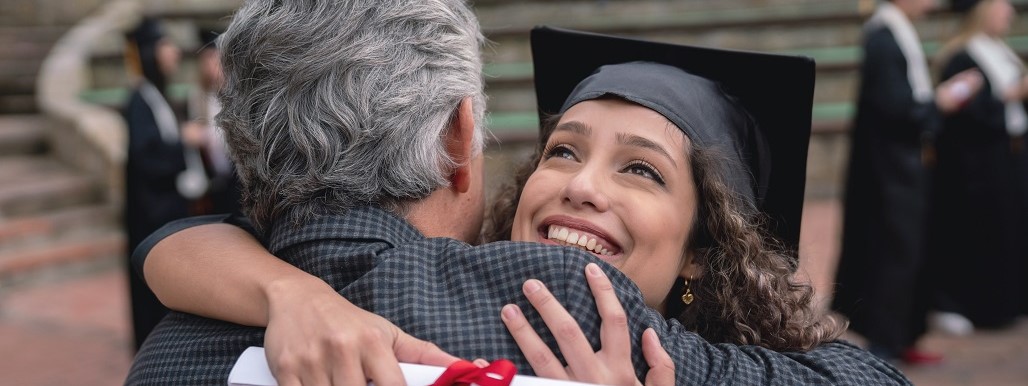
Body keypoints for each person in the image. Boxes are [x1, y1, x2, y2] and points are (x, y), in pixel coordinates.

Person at [126, 1, 909, 384]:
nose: (580, 187)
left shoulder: (167, 349)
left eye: (641, 168)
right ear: (462, 140)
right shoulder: (551, 306)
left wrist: (280, 286)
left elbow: (169, 245)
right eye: (561, 150)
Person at [832, 0, 984, 365]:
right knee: (893, 255)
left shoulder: (893, 31)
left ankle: (901, 336)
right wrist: (943, 101)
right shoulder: (883, 38)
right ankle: (884, 344)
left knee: (909, 253)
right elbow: (893, 108)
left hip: (903, 167)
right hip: (890, 172)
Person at [927, 0, 1027, 333]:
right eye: (1001, 5)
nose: (1009, 12)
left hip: (1009, 155)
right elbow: (967, 115)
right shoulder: (963, 56)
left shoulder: (999, 51)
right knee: (983, 231)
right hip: (979, 163)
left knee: (1011, 228)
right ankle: (978, 307)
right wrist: (1012, 94)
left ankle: (1010, 303)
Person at [121, 17, 208, 350]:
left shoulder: (156, 96)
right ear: (148, 54)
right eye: (165, 47)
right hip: (150, 214)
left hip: (165, 206)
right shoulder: (140, 101)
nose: (173, 53)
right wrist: (182, 141)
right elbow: (146, 159)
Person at [184, 26, 241, 215]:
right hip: (212, 180)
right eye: (207, 59)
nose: (211, 65)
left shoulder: (237, 95)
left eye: (215, 58)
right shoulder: (197, 97)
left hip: (238, 181)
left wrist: (204, 136)